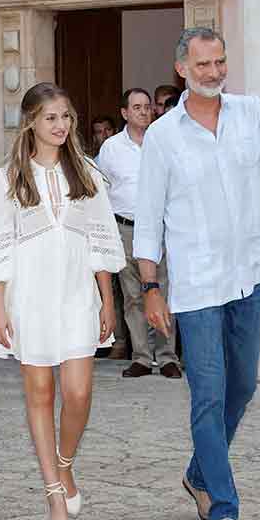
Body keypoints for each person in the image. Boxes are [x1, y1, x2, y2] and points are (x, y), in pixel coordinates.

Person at [135, 27, 260, 520]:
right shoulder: (162, 137)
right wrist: (151, 287)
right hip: (197, 287)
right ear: (182, 70)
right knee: (208, 393)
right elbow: (149, 220)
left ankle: (199, 472)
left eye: (220, 62)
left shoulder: (249, 114)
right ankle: (224, 507)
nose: (214, 72)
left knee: (242, 387)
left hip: (247, 277)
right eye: (203, 65)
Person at [0, 82, 124, 520]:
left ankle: (64, 464)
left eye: (66, 117)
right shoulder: (9, 178)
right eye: (51, 118)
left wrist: (108, 297)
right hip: (29, 296)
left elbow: (102, 237)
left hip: (77, 292)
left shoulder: (87, 174)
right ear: (31, 123)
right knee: (39, 393)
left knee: (78, 393)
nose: (61, 126)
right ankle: (53, 492)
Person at [96, 88, 181, 379]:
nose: (144, 112)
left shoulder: (164, 142)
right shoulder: (111, 148)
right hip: (126, 229)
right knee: (133, 295)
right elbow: (102, 189)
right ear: (124, 113)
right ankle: (142, 357)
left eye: (147, 107)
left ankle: (167, 356)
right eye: (137, 107)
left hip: (159, 230)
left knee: (163, 291)